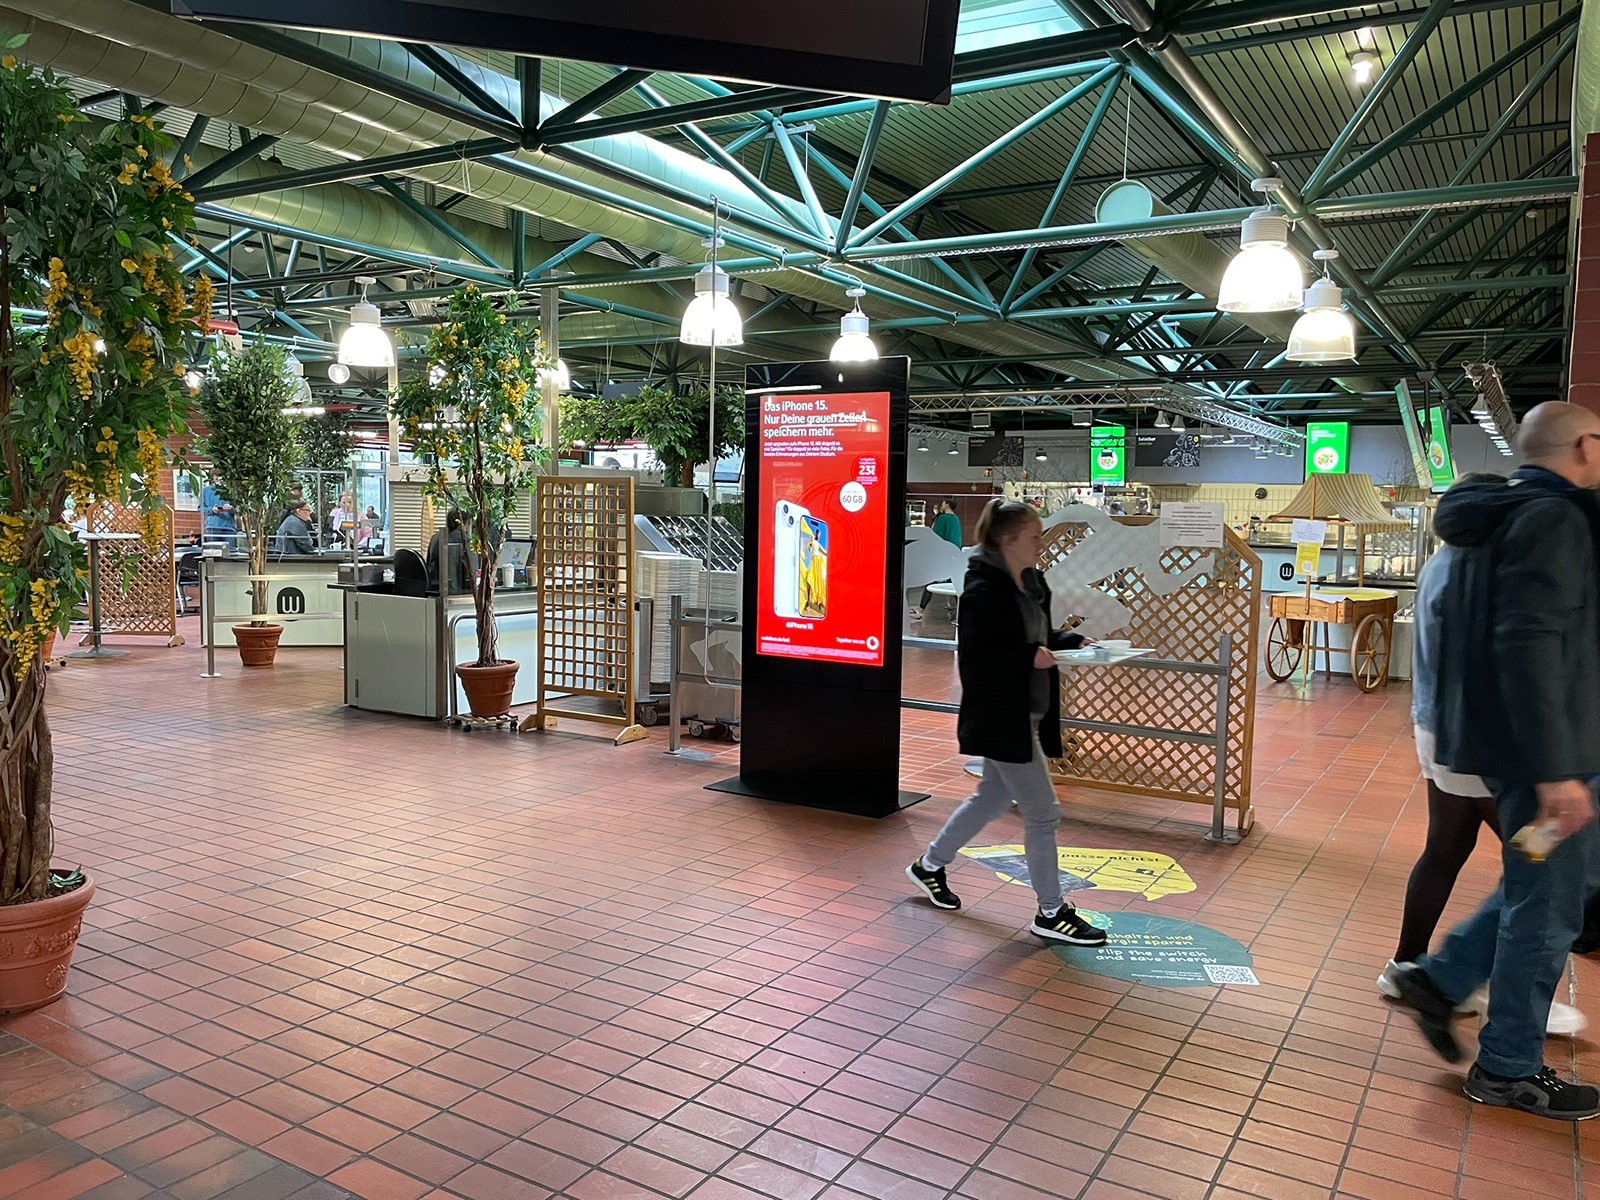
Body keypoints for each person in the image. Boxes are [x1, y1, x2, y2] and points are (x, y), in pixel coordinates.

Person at [1388, 401, 1600, 1121]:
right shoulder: (1553, 521)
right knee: (1546, 909)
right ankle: (1507, 1066)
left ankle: (1442, 980)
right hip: (1549, 756)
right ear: (1584, 446)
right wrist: (1556, 772)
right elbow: (1529, 644)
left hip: (1515, 749)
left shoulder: (1489, 525)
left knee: (1539, 886)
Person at [1378, 489, 1584, 1035]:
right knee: (1537, 854)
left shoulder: (1442, 562)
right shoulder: (1486, 568)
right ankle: (1473, 976)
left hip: (1436, 727)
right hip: (1475, 737)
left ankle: (1408, 966)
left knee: (1447, 846)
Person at [906, 499, 1108, 947]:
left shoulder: (1030, 581)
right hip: (1000, 716)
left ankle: (929, 866)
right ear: (1006, 540)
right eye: (1034, 536)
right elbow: (982, 655)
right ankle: (1051, 912)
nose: (1041, 543)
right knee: (1043, 813)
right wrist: (1026, 655)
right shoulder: (982, 590)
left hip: (1024, 710)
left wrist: (1069, 639)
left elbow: (1032, 637)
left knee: (989, 798)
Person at [912, 502, 963, 621]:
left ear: (946, 504)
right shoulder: (956, 519)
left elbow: (935, 537)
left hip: (942, 555)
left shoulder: (942, 518)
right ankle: (964, 610)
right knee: (954, 582)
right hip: (954, 555)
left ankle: (920, 610)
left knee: (930, 580)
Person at [426, 509, 473, 595]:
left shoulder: (435, 538)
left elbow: (428, 564)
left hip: (434, 590)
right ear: (466, 522)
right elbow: (470, 572)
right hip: (457, 592)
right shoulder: (465, 540)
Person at [200, 472, 236, 550]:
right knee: (214, 555)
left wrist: (231, 509)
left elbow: (239, 510)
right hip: (212, 527)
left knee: (229, 555)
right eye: (216, 476)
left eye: (221, 476)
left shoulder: (231, 490)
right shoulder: (206, 490)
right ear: (213, 477)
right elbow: (200, 508)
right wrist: (211, 510)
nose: (219, 478)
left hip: (228, 528)